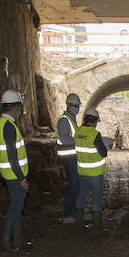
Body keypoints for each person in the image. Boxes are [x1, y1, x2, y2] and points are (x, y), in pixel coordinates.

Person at [0, 89, 31, 251]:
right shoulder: (8, 126)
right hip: (14, 175)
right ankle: (7, 242)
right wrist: (22, 178)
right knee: (16, 207)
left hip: (7, 174)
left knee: (17, 206)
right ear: (15, 107)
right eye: (19, 108)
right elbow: (12, 156)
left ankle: (18, 241)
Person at [73, 106, 110, 234]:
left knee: (81, 196)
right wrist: (107, 146)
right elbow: (103, 153)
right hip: (95, 173)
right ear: (94, 121)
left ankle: (79, 224)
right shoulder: (95, 134)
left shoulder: (77, 132)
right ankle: (97, 227)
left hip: (82, 171)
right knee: (96, 199)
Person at [57, 92, 82, 223]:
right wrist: (78, 140)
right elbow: (65, 139)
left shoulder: (71, 119)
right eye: (74, 105)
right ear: (67, 105)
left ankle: (73, 211)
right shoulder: (64, 120)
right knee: (73, 185)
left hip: (73, 157)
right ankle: (67, 214)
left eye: (77, 105)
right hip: (68, 158)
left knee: (76, 185)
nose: (76, 108)